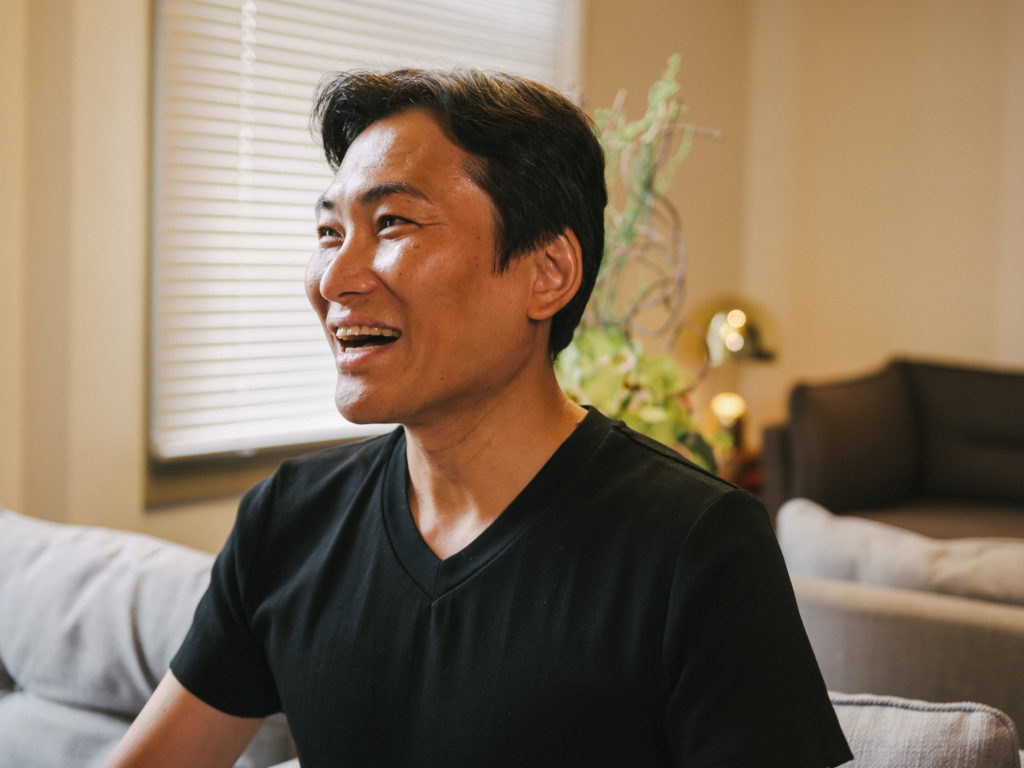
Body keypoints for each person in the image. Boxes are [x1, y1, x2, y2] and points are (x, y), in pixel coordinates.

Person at [105, 68, 852, 768]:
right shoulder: (288, 522)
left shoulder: (696, 544)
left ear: (547, 274)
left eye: (392, 223)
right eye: (330, 232)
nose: (334, 279)